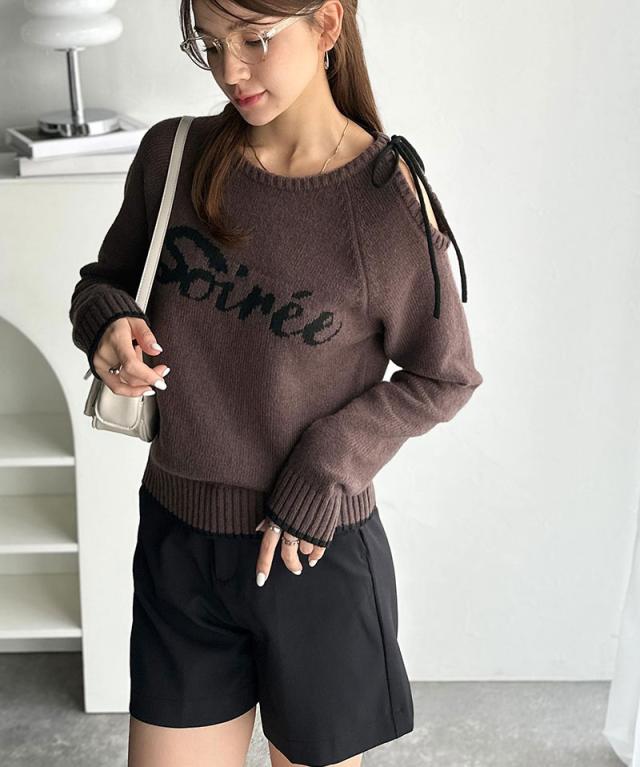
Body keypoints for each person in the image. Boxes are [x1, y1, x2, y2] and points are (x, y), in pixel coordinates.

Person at [68, 0, 483, 765]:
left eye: (255, 39)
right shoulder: (173, 156)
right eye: (209, 44)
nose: (230, 70)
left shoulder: (384, 201)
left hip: (312, 557)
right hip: (178, 545)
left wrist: (327, 463)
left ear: (327, 23)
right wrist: (108, 324)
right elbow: (105, 282)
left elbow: (444, 373)